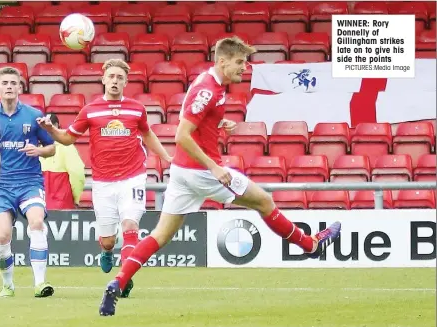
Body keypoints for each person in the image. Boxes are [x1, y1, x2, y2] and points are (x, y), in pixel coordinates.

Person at [98, 37, 342, 316]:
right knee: (263, 200)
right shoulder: (208, 89)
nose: (245, 68)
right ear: (222, 61)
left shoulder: (210, 84)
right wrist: (214, 168)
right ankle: (309, 244)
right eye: (239, 62)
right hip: (202, 171)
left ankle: (117, 282)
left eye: (246, 62)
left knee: (160, 235)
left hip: (181, 172)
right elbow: (182, 136)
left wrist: (217, 123)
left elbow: (196, 120)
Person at [37, 59, 172, 299]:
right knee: (109, 240)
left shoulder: (136, 109)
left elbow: (148, 134)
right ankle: (107, 252)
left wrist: (166, 157)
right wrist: (51, 131)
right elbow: (68, 138)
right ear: (103, 79)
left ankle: (123, 277)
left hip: (133, 178)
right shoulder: (90, 110)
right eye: (111, 77)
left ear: (126, 82)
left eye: (120, 77)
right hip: (103, 182)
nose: (115, 81)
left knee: (130, 226)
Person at [0, 66, 56, 298]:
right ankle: (8, 285)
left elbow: (52, 148)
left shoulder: (34, 115)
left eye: (13, 83)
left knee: (36, 223)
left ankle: (40, 283)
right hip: (1, 185)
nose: (9, 87)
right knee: (2, 237)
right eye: (4, 83)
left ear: (20, 87)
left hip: (30, 182)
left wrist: (38, 151)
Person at [40, 113, 85, 210]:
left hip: (38, 208)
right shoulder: (68, 147)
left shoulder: (35, 148)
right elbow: (78, 175)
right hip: (62, 210)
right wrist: (76, 199)